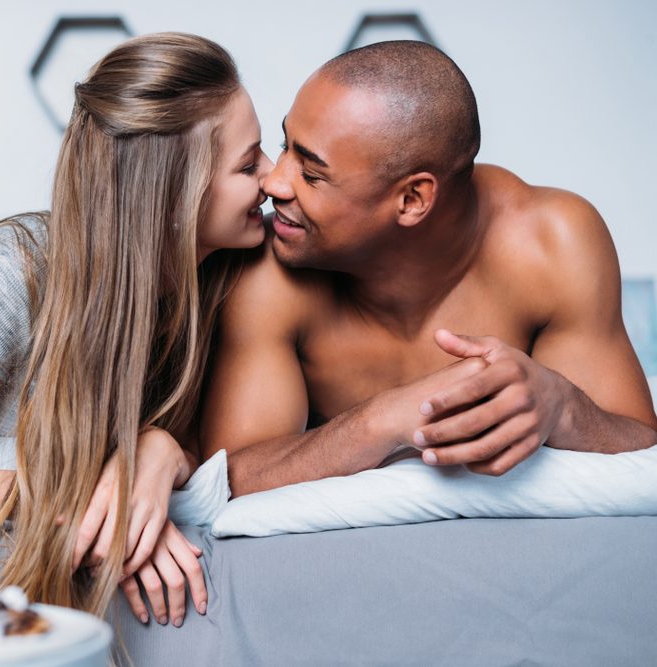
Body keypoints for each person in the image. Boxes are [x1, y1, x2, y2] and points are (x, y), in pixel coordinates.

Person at [0, 33, 271, 625]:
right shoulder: (11, 271)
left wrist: (158, 453)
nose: (274, 180)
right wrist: (77, 499)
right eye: (249, 164)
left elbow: (221, 446)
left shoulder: (237, 281)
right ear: (173, 195)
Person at [201, 40, 657, 496]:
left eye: (312, 174)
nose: (273, 182)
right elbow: (227, 477)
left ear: (412, 199)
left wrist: (564, 407)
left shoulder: (551, 242)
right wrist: (380, 420)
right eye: (286, 146)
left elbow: (639, 447)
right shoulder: (268, 267)